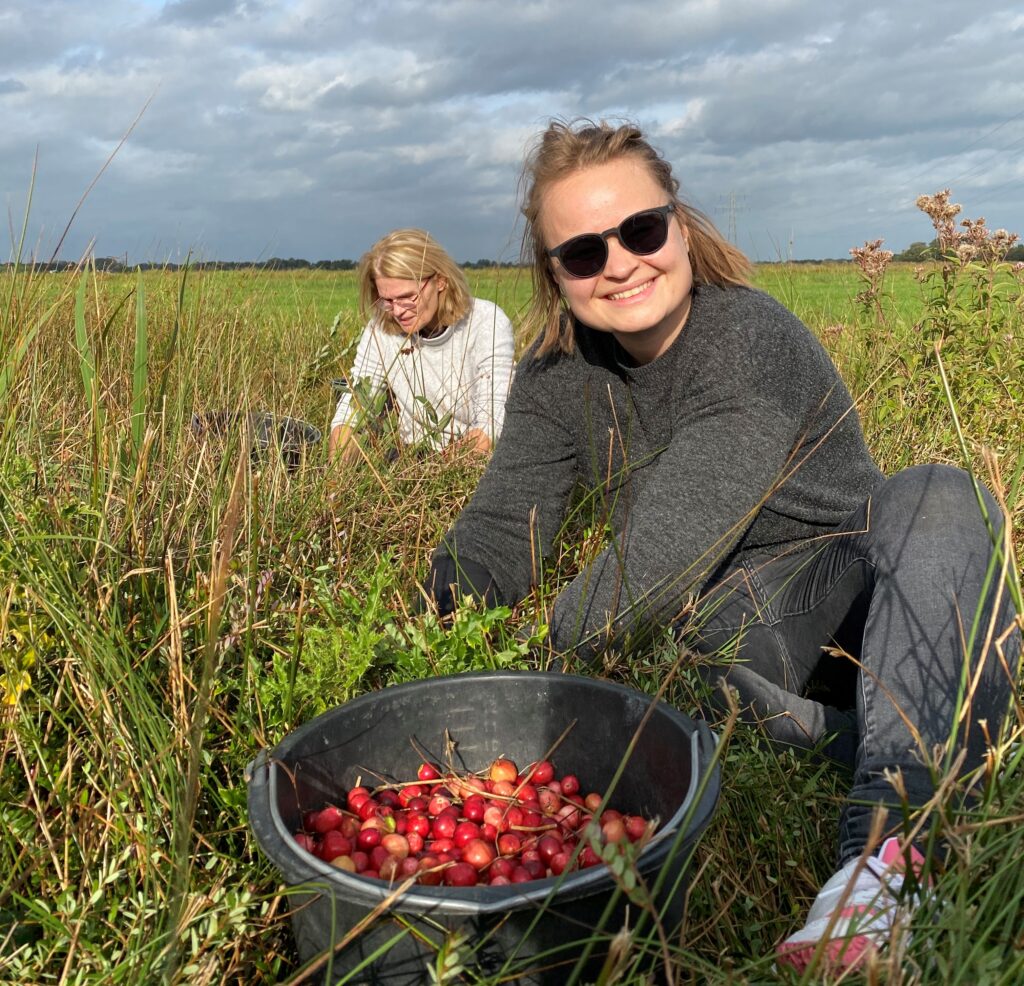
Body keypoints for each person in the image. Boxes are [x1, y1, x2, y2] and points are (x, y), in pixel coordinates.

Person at [419, 120, 1021, 971]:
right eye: (584, 252)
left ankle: (889, 860)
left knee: (935, 494)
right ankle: (912, 736)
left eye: (640, 229)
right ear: (555, 274)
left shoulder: (748, 340)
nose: (621, 262)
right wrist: (420, 632)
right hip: (744, 618)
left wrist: (533, 673)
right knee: (693, 664)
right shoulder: (555, 378)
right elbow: (496, 531)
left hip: (861, 582)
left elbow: (646, 571)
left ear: (680, 222)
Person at [329, 228, 515, 463]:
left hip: (473, 463)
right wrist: (335, 481)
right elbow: (355, 407)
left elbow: (492, 421)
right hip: (408, 459)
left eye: (408, 297)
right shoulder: (380, 329)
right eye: (387, 300)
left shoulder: (486, 321)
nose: (397, 311)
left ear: (440, 281)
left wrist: (444, 477)